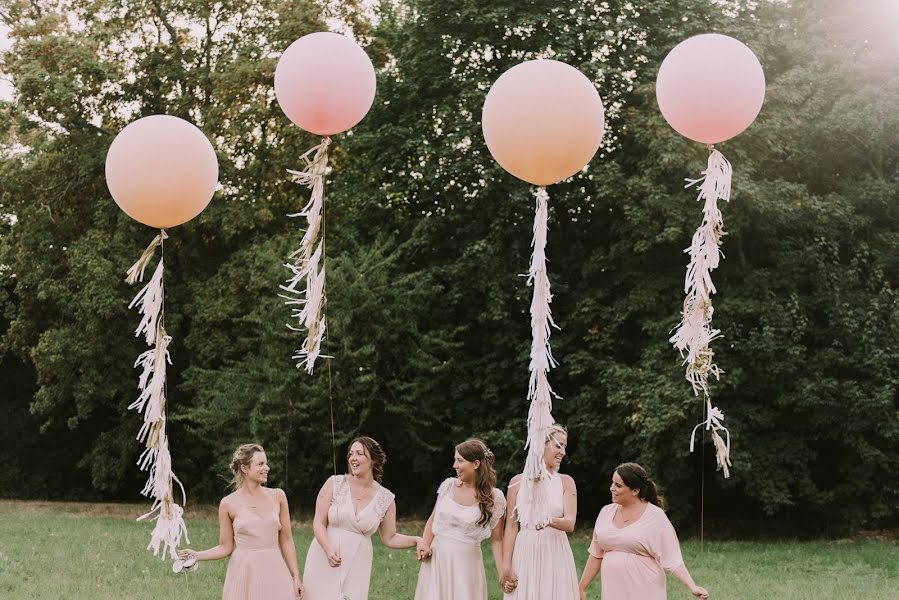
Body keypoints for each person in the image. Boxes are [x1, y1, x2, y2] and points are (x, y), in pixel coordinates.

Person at [178, 443, 303, 599]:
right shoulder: (228, 503)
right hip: (244, 571)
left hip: (274, 569)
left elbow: (286, 540)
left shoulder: (278, 496)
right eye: (261, 464)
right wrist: (196, 555)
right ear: (245, 468)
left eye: (266, 463)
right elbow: (225, 547)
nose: (267, 468)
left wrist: (296, 576)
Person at [302, 436, 420, 600]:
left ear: (373, 460)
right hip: (325, 555)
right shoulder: (334, 483)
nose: (353, 458)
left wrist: (416, 540)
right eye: (351, 454)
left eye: (359, 454)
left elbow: (390, 537)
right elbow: (318, 522)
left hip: (358, 561)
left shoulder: (385, 498)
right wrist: (328, 549)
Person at [578, 462, 709, 600]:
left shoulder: (655, 516)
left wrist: (692, 586)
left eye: (618, 485)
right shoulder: (606, 512)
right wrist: (581, 587)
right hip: (613, 590)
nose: (612, 488)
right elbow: (596, 554)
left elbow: (672, 558)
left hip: (645, 589)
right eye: (612, 483)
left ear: (635, 490)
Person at [414, 438, 506, 600]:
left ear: (476, 464)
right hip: (437, 560)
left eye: (459, 460)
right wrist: (425, 545)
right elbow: (432, 520)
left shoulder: (495, 497)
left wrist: (503, 572)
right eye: (455, 460)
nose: (454, 465)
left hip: (466, 565)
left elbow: (497, 540)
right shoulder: (448, 486)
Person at [501, 424, 578, 598]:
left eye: (564, 447)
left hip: (555, 550)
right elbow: (511, 528)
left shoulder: (566, 482)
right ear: (540, 445)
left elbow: (570, 523)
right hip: (525, 549)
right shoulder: (517, 483)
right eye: (559, 445)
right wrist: (506, 566)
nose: (563, 452)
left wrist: (548, 520)